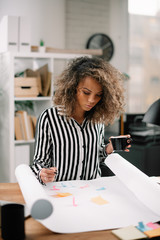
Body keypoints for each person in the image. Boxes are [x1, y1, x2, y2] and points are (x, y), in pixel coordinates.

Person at [31, 56, 131, 184]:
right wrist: (42, 173)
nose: (92, 100)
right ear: (73, 87)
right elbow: (39, 162)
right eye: (86, 92)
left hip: (93, 190)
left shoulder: (97, 120)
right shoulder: (49, 118)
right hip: (62, 191)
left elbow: (96, 157)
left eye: (98, 95)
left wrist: (108, 149)